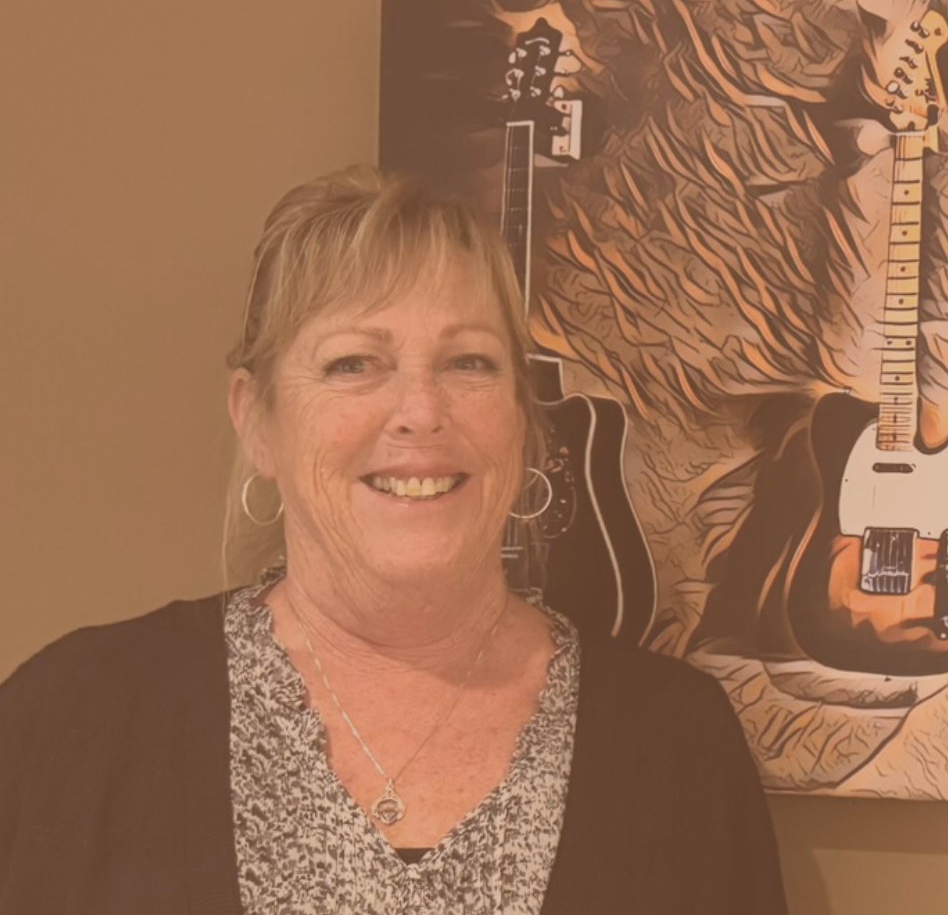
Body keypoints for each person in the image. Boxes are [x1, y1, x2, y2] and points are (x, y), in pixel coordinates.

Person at [0, 167, 788, 914]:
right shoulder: (77, 717)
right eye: (353, 364)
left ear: (523, 419)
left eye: (469, 363)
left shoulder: (679, 745)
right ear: (259, 421)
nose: (420, 410)